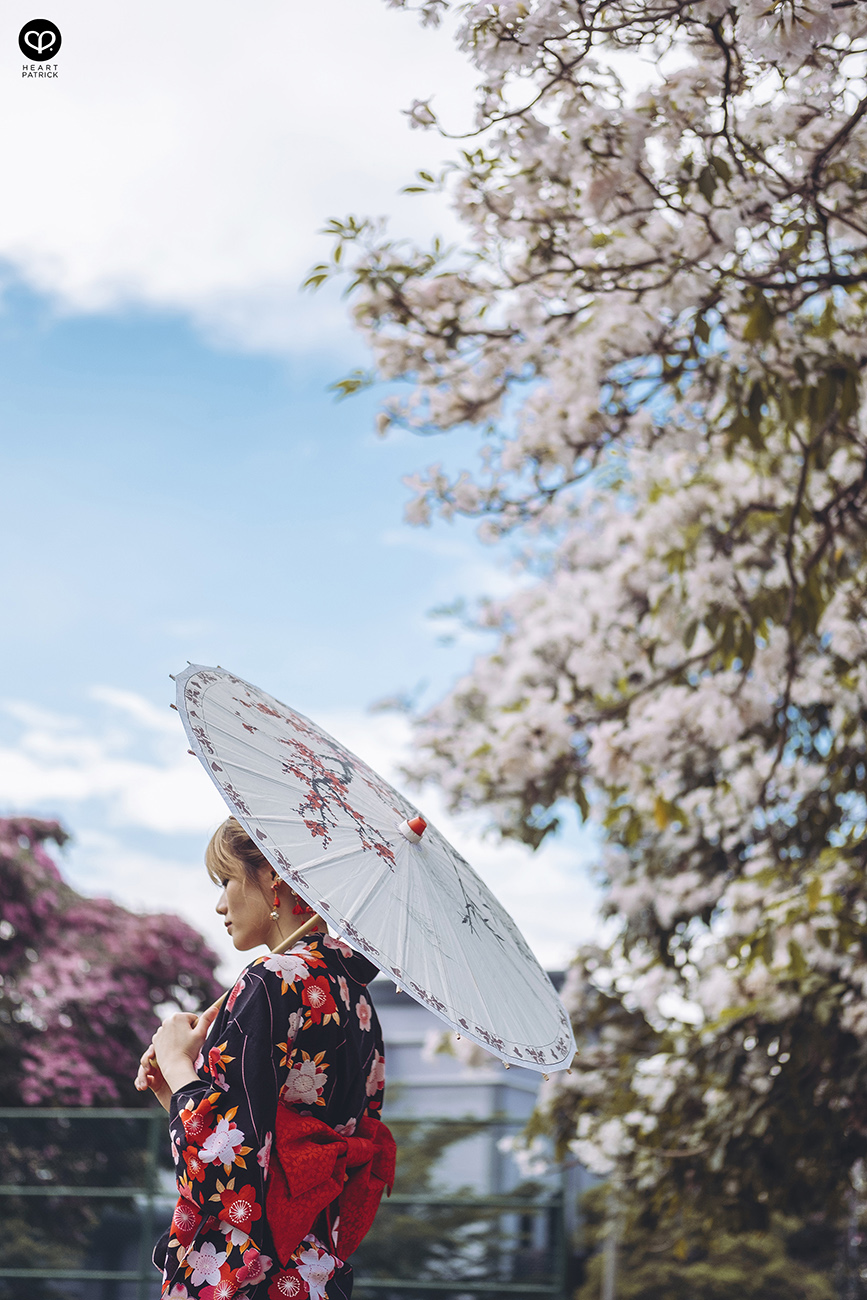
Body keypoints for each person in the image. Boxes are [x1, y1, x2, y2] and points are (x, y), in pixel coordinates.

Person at [136, 816, 394, 1300]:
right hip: (311, 1265)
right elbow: (267, 1136)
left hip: (249, 1270)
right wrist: (174, 1092)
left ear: (274, 876)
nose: (219, 904)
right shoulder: (357, 998)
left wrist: (175, 1060)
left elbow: (228, 1167)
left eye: (227, 880)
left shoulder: (269, 979)